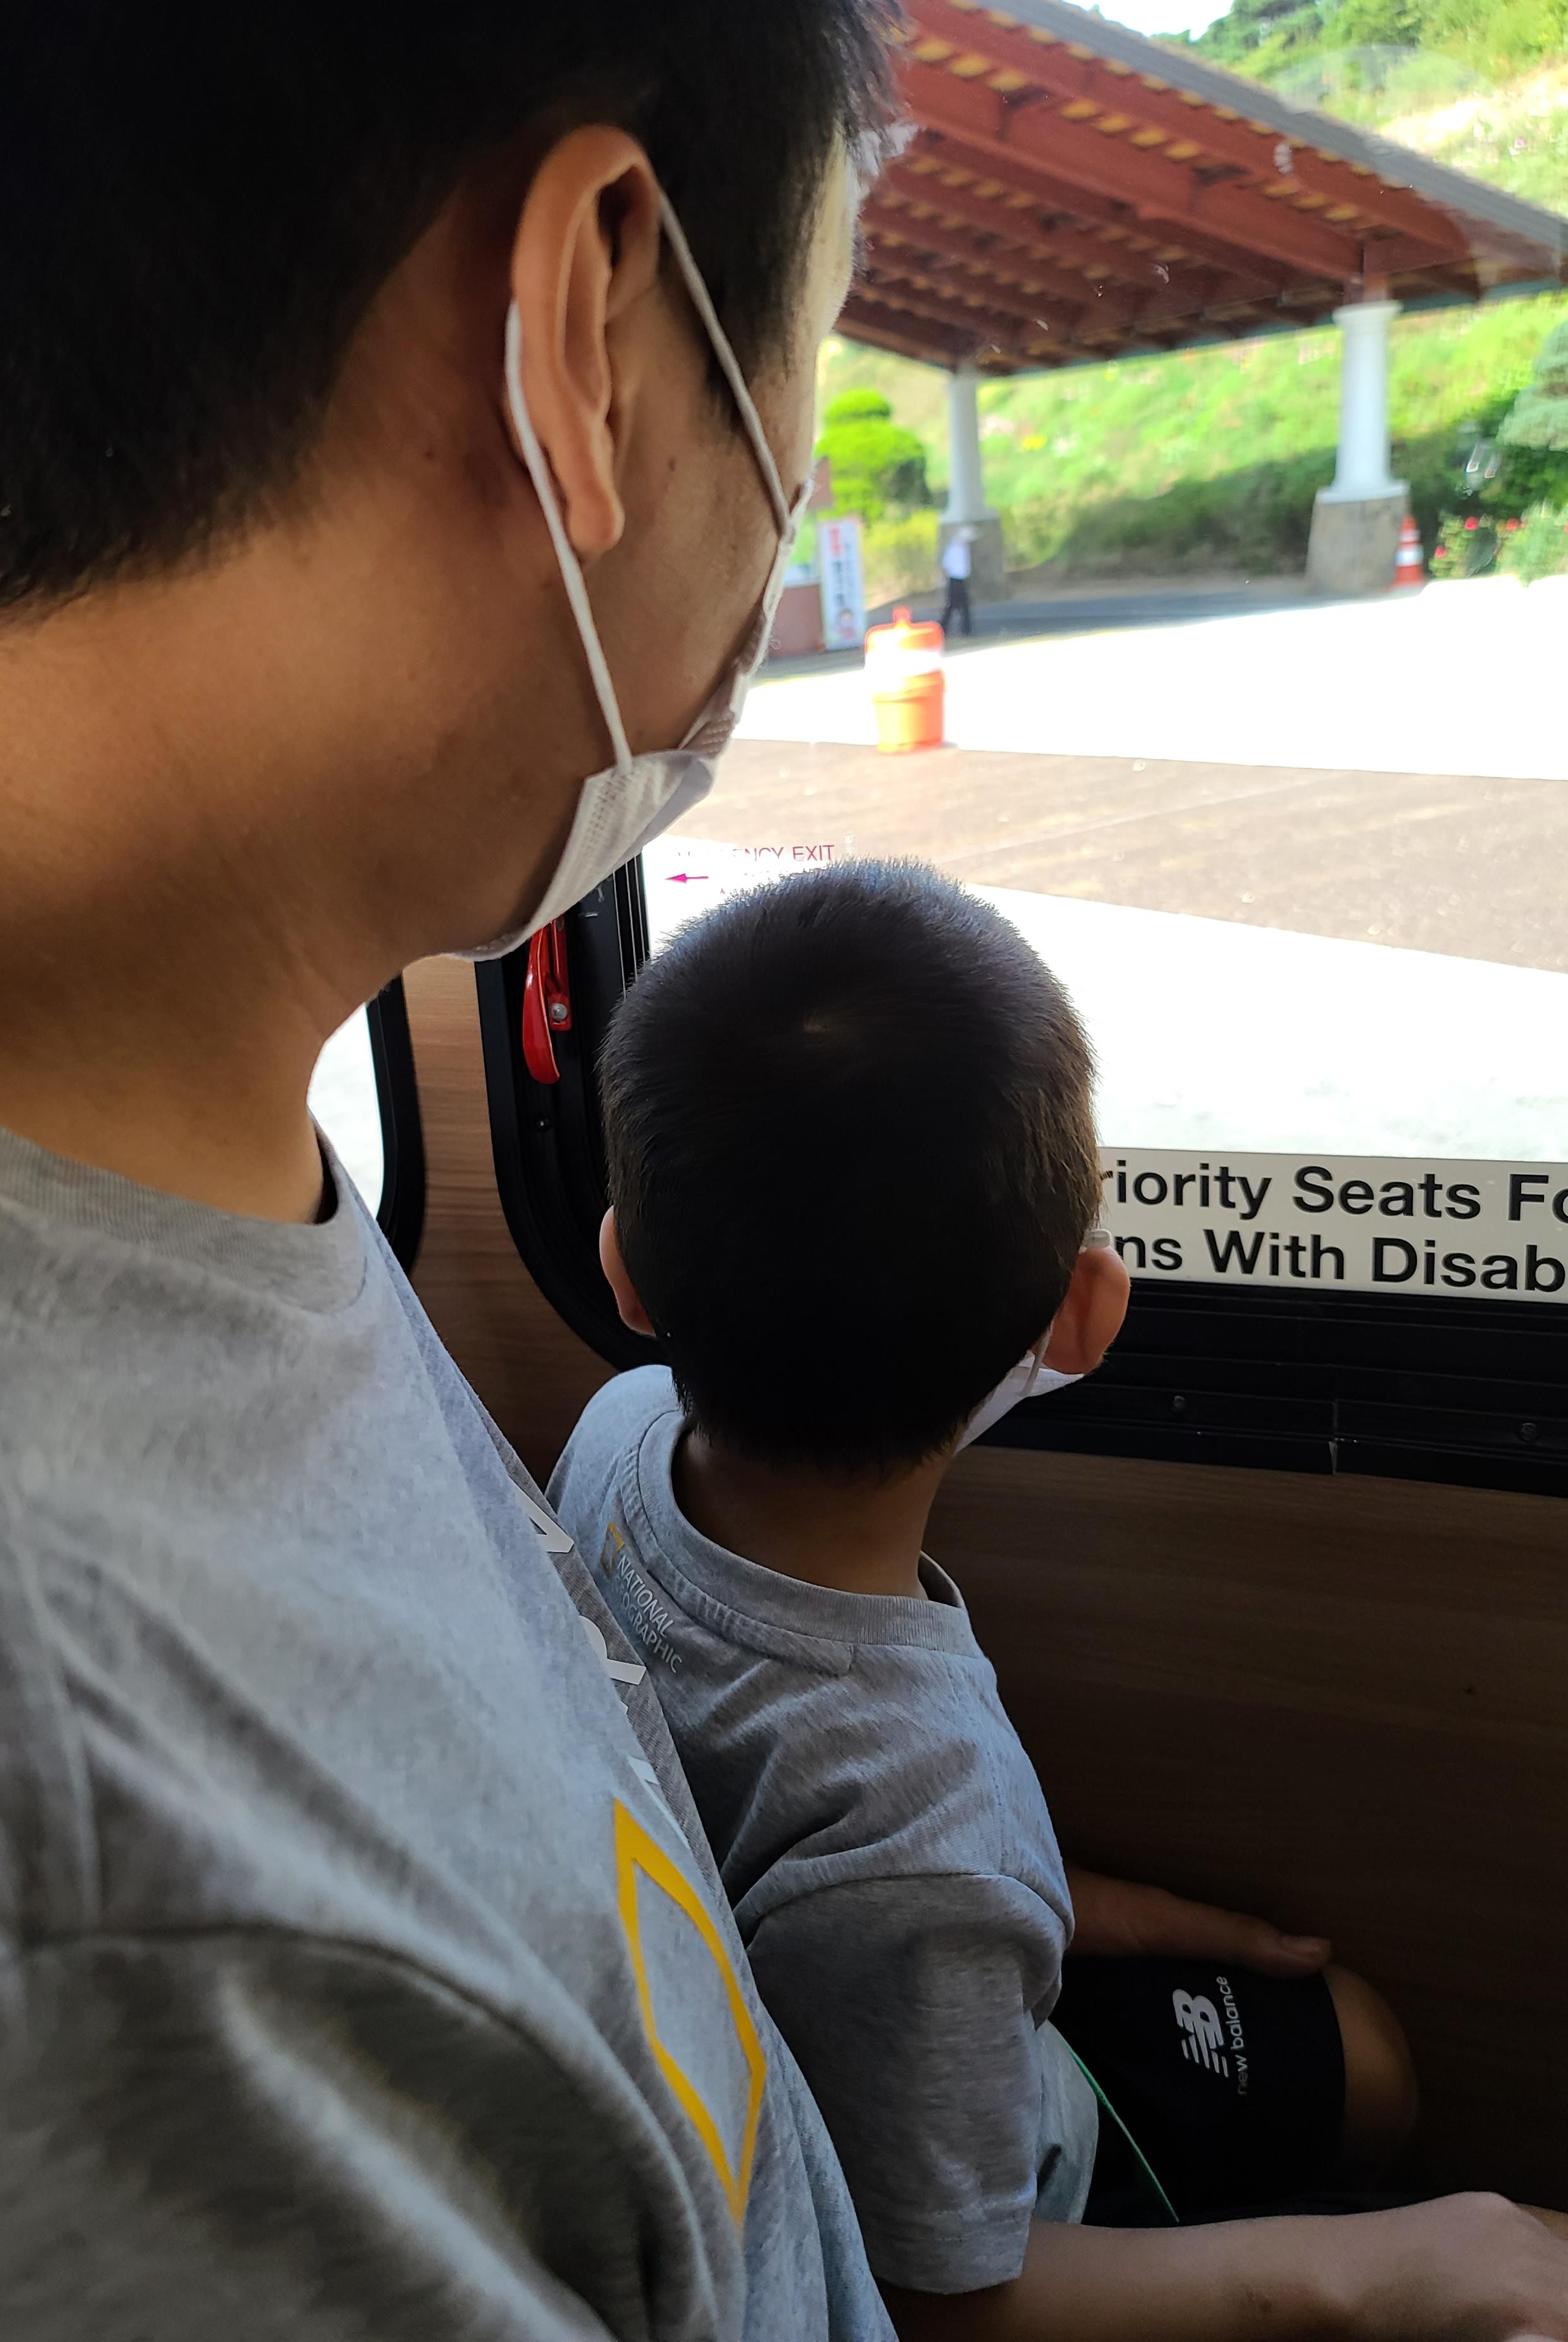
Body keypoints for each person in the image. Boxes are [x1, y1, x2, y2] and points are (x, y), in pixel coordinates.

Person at [0, 0, 937, 2333]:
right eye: (807, 340)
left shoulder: (132, 1105)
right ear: (588, 314)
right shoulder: (62, 1922)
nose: (789, 502)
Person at [552, 859, 1568, 2341]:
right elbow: (944, 2296)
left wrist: (1092, 1913)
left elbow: (787, 1852)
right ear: (1082, 1316)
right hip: (1004, 2200)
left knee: (1361, 2055)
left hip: (897, 2019)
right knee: (1421, 2138)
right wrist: (1351, 2275)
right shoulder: (924, 1819)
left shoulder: (614, 1432)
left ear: (624, 1272)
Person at [940, 523, 974, 634]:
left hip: (961, 579)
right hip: (955, 579)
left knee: (960, 606)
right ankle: (946, 628)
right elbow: (946, 566)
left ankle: (964, 629)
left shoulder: (964, 549)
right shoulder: (954, 549)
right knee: (955, 605)